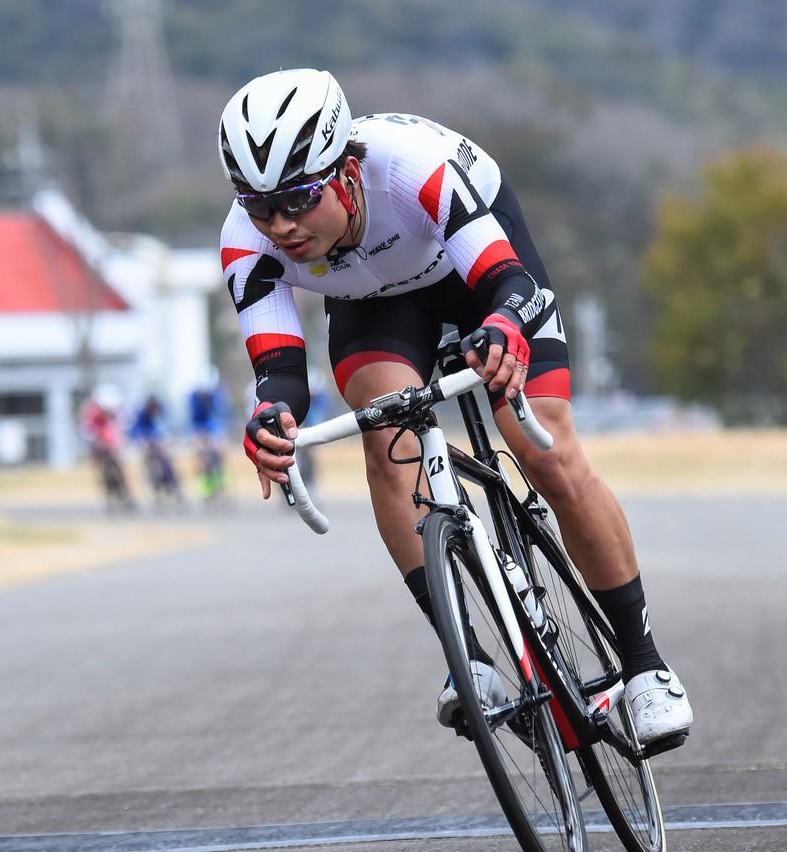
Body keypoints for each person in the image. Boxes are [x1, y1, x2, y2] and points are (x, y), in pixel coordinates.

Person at [220, 68, 692, 749]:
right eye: (260, 206)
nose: (282, 225)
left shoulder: (412, 172)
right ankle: (468, 660)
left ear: (344, 169)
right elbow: (281, 375)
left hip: (476, 272)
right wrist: (271, 419)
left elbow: (509, 283)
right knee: (387, 441)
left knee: (543, 450)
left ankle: (646, 666)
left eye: (297, 199)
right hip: (375, 307)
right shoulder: (247, 241)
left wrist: (501, 328)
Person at [78, 383, 134, 511]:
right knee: (101, 468)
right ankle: (106, 493)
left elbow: (120, 427)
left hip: (111, 442)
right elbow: (86, 429)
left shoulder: (116, 411)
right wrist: (94, 440)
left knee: (119, 466)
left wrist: (121, 442)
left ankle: (125, 495)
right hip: (97, 443)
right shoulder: (90, 411)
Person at [188, 371, 230, 502]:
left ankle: (221, 482)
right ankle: (206, 488)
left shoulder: (218, 395)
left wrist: (219, 437)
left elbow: (221, 416)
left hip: (215, 427)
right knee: (202, 455)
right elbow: (193, 420)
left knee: (219, 451)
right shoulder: (193, 397)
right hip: (200, 428)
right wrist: (201, 437)